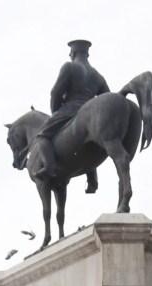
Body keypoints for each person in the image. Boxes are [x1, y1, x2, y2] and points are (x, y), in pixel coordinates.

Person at [34, 39, 109, 192]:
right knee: (91, 136)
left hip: (69, 109)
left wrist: (55, 111)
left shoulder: (69, 67)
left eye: (70, 52)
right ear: (87, 54)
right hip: (90, 112)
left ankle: (48, 167)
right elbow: (106, 98)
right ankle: (92, 180)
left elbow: (55, 92)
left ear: (73, 53)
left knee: (42, 135)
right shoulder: (97, 76)